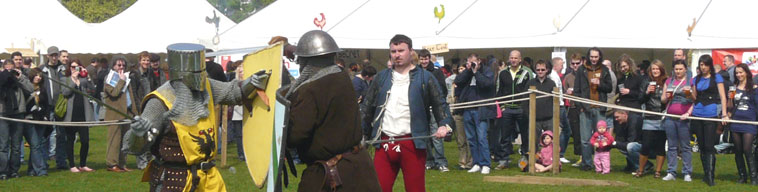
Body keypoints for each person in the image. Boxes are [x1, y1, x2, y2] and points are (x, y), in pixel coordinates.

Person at [125, 43, 268, 191]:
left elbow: (232, 92)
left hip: (208, 179)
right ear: (180, 72)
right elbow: (137, 147)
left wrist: (250, 83)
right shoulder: (159, 101)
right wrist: (138, 133)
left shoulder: (208, 86)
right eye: (194, 73)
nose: (200, 77)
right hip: (175, 180)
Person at [363, 34, 451, 191]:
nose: (397, 55)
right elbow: (367, 107)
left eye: (401, 50)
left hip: (412, 143)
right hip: (384, 143)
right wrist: (362, 134)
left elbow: (440, 104)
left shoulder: (425, 77)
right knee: (377, 188)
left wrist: (444, 125)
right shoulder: (381, 78)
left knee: (415, 189)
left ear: (411, 52)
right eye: (393, 51)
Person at [690, 54, 728, 186]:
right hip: (697, 113)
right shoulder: (696, 79)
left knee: (709, 146)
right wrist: (689, 94)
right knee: (701, 145)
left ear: (709, 65)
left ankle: (711, 176)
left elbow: (723, 97)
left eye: (705, 64)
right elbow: (695, 98)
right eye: (701, 64)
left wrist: (724, 113)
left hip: (710, 113)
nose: (703, 67)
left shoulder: (717, 77)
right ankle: (706, 174)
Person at [574, 47, 613, 171]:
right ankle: (586, 163)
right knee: (585, 139)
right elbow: (577, 90)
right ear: (588, 56)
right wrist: (580, 106)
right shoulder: (581, 70)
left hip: (600, 108)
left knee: (602, 137)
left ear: (600, 57)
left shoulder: (605, 69)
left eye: (596, 57)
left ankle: (602, 164)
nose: (594, 59)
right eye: (592, 57)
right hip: (585, 108)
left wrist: (599, 84)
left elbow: (609, 88)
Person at [455, 53, 496, 174]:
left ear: (479, 61)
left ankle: (486, 164)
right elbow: (458, 81)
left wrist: (476, 71)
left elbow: (487, 84)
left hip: (481, 109)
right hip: (468, 108)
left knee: (482, 137)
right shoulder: (467, 73)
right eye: (469, 62)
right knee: (471, 138)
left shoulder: (486, 71)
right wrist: (468, 71)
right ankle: (476, 162)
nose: (471, 65)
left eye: (473, 62)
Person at [494, 50, 534, 170]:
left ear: (520, 59)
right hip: (507, 109)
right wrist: (502, 106)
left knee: (525, 135)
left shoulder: (527, 72)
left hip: (522, 108)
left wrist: (526, 107)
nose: (513, 60)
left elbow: (531, 91)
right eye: (511, 58)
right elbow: (499, 91)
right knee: (505, 136)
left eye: (516, 58)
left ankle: (525, 157)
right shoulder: (503, 73)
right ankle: (504, 160)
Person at [103, 56, 140, 172]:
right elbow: (114, 93)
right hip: (114, 114)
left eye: (123, 65)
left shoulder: (126, 77)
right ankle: (111, 164)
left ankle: (122, 163)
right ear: (113, 66)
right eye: (119, 65)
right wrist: (122, 80)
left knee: (125, 141)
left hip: (127, 113)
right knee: (114, 141)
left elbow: (131, 97)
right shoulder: (109, 78)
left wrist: (135, 112)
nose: (121, 67)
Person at [661, 59, 694, 182]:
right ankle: (671, 172)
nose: (678, 71)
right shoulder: (669, 81)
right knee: (672, 146)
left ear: (685, 69)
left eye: (680, 69)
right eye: (676, 69)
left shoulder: (690, 81)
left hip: (684, 118)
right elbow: (663, 99)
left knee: (685, 146)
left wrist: (688, 113)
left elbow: (695, 100)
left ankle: (687, 172)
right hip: (670, 117)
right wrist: (667, 97)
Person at [61, 59, 95, 173]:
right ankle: (71, 165)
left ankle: (83, 164)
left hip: (83, 115)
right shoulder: (65, 79)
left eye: (77, 67)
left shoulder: (83, 80)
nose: (74, 69)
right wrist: (73, 80)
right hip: (70, 115)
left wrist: (88, 76)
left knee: (85, 140)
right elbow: (65, 92)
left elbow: (93, 89)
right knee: (70, 140)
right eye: (72, 67)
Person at [635, 60, 668, 178]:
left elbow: (668, 100)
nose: (655, 71)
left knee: (660, 146)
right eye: (653, 69)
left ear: (661, 70)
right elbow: (640, 99)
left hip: (662, 117)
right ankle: (641, 170)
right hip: (649, 117)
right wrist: (647, 92)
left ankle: (658, 172)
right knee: (646, 145)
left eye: (657, 69)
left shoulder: (666, 82)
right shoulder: (646, 81)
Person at [0, 59, 33, 180]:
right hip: (3, 113)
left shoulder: (18, 79)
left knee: (16, 145)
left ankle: (14, 170)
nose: (9, 73)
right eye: (7, 69)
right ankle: (2, 171)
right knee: (3, 145)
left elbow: (31, 89)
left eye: (11, 69)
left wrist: (20, 77)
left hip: (18, 113)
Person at [419, 49, 449, 172]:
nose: (424, 61)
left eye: (426, 58)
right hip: (421, 108)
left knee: (436, 135)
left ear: (429, 58)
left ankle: (441, 161)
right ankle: (429, 160)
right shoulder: (416, 71)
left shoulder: (436, 71)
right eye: (421, 59)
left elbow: (442, 89)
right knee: (424, 136)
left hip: (433, 108)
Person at [727, 64, 758, 184]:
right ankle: (742, 176)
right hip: (736, 121)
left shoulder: (754, 88)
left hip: (749, 122)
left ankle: (754, 177)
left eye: (741, 72)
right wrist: (730, 98)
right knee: (738, 150)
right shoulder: (733, 87)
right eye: (737, 73)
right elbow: (730, 107)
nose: (739, 75)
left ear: (746, 73)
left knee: (747, 149)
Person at [40, 46, 69, 170]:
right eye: (52, 55)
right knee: (45, 135)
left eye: (56, 55)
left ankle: (61, 161)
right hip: (47, 106)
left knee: (61, 135)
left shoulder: (64, 69)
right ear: (48, 56)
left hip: (61, 106)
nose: (54, 57)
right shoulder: (42, 70)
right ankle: (44, 162)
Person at [23, 68, 50, 177]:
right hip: (29, 119)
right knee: (35, 145)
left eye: (40, 76)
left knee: (36, 145)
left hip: (41, 120)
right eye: (36, 75)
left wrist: (46, 117)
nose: (38, 77)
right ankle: (41, 170)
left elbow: (46, 105)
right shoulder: (26, 88)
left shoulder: (43, 90)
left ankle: (31, 169)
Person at [448, 64, 472, 169]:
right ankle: (462, 161)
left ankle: (470, 161)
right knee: (460, 139)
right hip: (457, 111)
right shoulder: (455, 82)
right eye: (459, 69)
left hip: (468, 111)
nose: (461, 70)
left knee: (469, 139)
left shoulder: (470, 82)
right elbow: (452, 97)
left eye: (463, 68)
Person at [550, 57, 572, 164]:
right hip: (558, 105)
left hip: (560, 104)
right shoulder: (554, 76)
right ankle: (560, 154)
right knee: (566, 130)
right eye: (561, 65)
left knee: (564, 130)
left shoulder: (556, 76)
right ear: (555, 65)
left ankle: (559, 153)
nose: (562, 67)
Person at [564, 53, 583, 166]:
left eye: (577, 63)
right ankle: (581, 157)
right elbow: (565, 91)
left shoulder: (585, 75)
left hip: (584, 107)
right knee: (576, 133)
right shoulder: (568, 77)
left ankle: (587, 157)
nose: (575, 65)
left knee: (585, 134)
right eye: (573, 63)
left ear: (581, 63)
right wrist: (568, 93)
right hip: (573, 107)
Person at [527, 60, 556, 133]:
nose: (540, 71)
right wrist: (528, 115)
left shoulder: (551, 83)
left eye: (542, 69)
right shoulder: (530, 83)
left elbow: (555, 101)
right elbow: (525, 100)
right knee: (534, 142)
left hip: (549, 119)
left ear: (547, 70)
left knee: (550, 142)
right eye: (538, 70)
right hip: (534, 119)